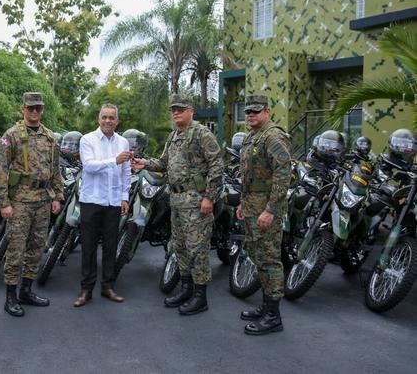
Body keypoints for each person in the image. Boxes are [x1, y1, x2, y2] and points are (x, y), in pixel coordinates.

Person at [132, 94, 223, 315]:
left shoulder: (202, 134)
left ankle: (200, 297)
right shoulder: (175, 136)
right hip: (177, 200)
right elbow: (163, 163)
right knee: (179, 247)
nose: (176, 112)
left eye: (180, 109)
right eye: (173, 109)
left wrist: (209, 197)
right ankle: (186, 287)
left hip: (196, 201)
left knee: (198, 250)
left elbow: (217, 165)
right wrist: (144, 163)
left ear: (191, 110)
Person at [0, 92, 63, 317]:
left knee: (36, 248)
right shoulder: (11, 136)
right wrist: (4, 203)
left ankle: (26, 290)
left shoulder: (50, 137)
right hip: (20, 201)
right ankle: (10, 296)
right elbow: (1, 169)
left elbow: (55, 170)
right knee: (16, 249)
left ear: (42, 110)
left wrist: (57, 197)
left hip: (43, 200)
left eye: (38, 108)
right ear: (22, 108)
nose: (34, 112)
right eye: (30, 108)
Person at [235, 95, 291, 335]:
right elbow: (248, 175)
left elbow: (283, 175)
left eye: (256, 112)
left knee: (269, 259)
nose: (251, 115)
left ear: (267, 112)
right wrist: (242, 203)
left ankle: (274, 316)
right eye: (248, 112)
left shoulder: (274, 137)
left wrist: (271, 210)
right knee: (258, 256)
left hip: (266, 209)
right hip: (251, 206)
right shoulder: (252, 137)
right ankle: (266, 306)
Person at [73, 104, 132, 307]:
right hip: (92, 200)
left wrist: (125, 197)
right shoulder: (87, 139)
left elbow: (126, 172)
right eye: (104, 117)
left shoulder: (123, 142)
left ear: (117, 121)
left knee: (110, 246)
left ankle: (107, 286)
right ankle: (86, 290)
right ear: (99, 119)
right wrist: (113, 160)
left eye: (111, 118)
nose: (108, 121)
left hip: (113, 202)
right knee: (88, 247)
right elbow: (89, 166)